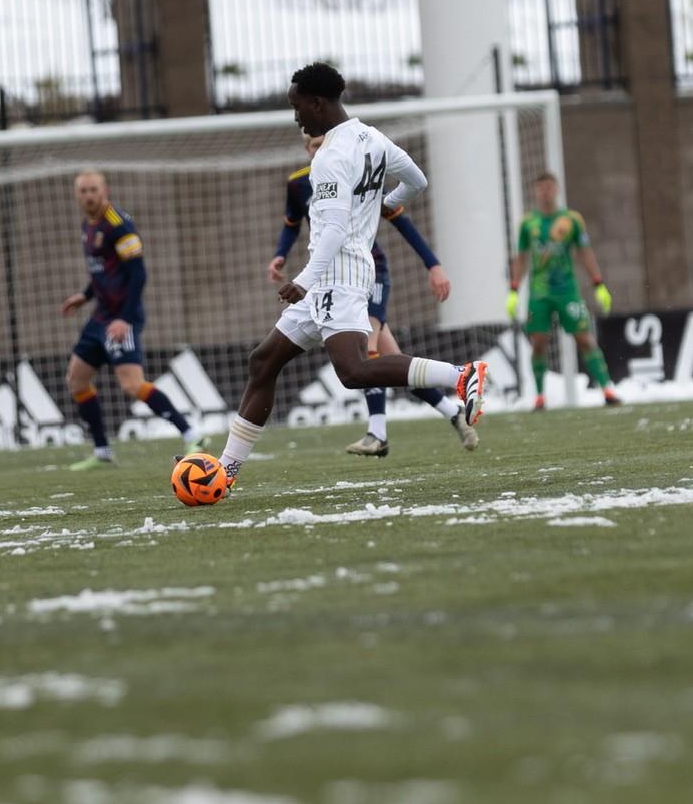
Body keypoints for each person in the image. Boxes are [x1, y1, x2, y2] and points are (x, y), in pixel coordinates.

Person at [217, 63, 488, 488]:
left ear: (317, 103)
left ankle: (460, 375)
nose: (296, 117)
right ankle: (225, 473)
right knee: (263, 362)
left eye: (297, 106)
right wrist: (385, 204)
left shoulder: (328, 158)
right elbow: (417, 181)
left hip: (335, 275)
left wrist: (304, 279)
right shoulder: (372, 137)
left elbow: (336, 230)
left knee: (354, 370)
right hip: (341, 272)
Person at [274, 134, 478, 456]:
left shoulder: (355, 176)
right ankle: (453, 413)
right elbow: (291, 224)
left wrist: (433, 265)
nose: (318, 149)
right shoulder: (299, 184)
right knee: (392, 363)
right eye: (312, 145)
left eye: (322, 142)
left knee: (364, 352)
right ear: (306, 149)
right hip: (335, 279)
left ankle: (377, 433)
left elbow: (401, 220)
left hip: (369, 273)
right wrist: (280, 256)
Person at [58, 169, 201, 469]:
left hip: (121, 319)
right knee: (77, 378)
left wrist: (124, 319)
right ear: (76, 195)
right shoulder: (88, 225)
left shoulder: (118, 225)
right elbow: (104, 273)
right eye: (83, 191)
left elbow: (138, 274)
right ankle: (101, 452)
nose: (88, 196)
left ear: (105, 190)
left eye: (93, 190)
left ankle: (191, 434)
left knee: (132, 385)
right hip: (100, 318)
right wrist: (84, 296)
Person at [507, 171, 620, 409]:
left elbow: (585, 252)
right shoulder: (529, 223)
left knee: (585, 339)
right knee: (538, 342)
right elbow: (522, 258)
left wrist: (599, 284)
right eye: (541, 187)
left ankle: (608, 389)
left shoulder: (571, 220)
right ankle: (539, 396)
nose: (545, 191)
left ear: (557, 189)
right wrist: (514, 290)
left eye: (549, 186)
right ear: (536, 192)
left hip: (568, 291)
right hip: (539, 293)